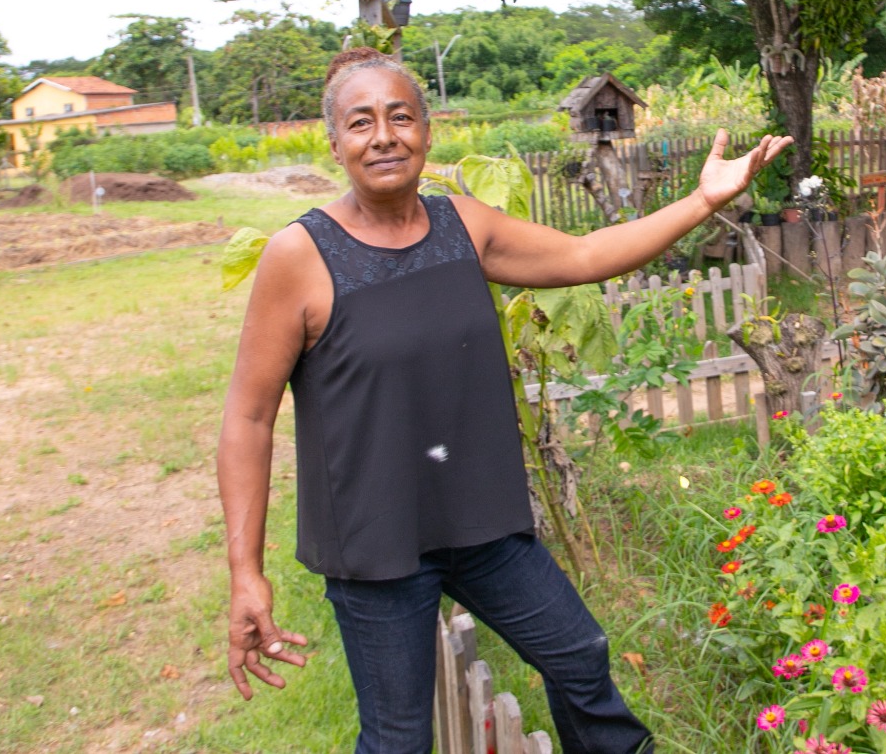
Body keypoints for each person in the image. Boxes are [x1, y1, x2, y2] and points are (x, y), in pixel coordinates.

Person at [217, 48, 791, 754]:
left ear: (427, 131)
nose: (385, 136)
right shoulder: (300, 255)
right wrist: (246, 572)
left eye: (401, 117)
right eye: (361, 122)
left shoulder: (463, 225)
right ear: (335, 143)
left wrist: (703, 200)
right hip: (376, 541)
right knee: (397, 739)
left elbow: (584, 256)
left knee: (578, 653)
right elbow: (247, 417)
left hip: (480, 524)